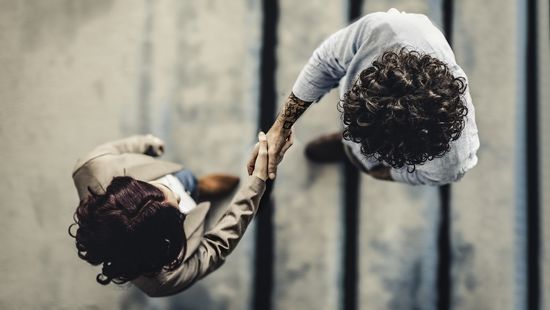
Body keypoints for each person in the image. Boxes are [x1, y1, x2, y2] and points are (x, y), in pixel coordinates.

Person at [248, 8, 479, 186]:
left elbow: (428, 176)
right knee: (357, 147)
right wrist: (280, 127)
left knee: (361, 158)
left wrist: (379, 171)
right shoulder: (385, 30)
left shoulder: (451, 163)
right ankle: (349, 147)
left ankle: (351, 152)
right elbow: (326, 62)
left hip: (386, 158)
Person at [69, 132, 292, 297]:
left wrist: (145, 143)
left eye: (159, 189)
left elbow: (114, 149)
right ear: (160, 244)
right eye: (177, 210)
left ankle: (199, 186)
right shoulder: (164, 280)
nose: (177, 196)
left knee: (186, 180)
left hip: (169, 188)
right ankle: (199, 189)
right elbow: (216, 246)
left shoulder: (91, 167)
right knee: (186, 188)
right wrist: (256, 185)